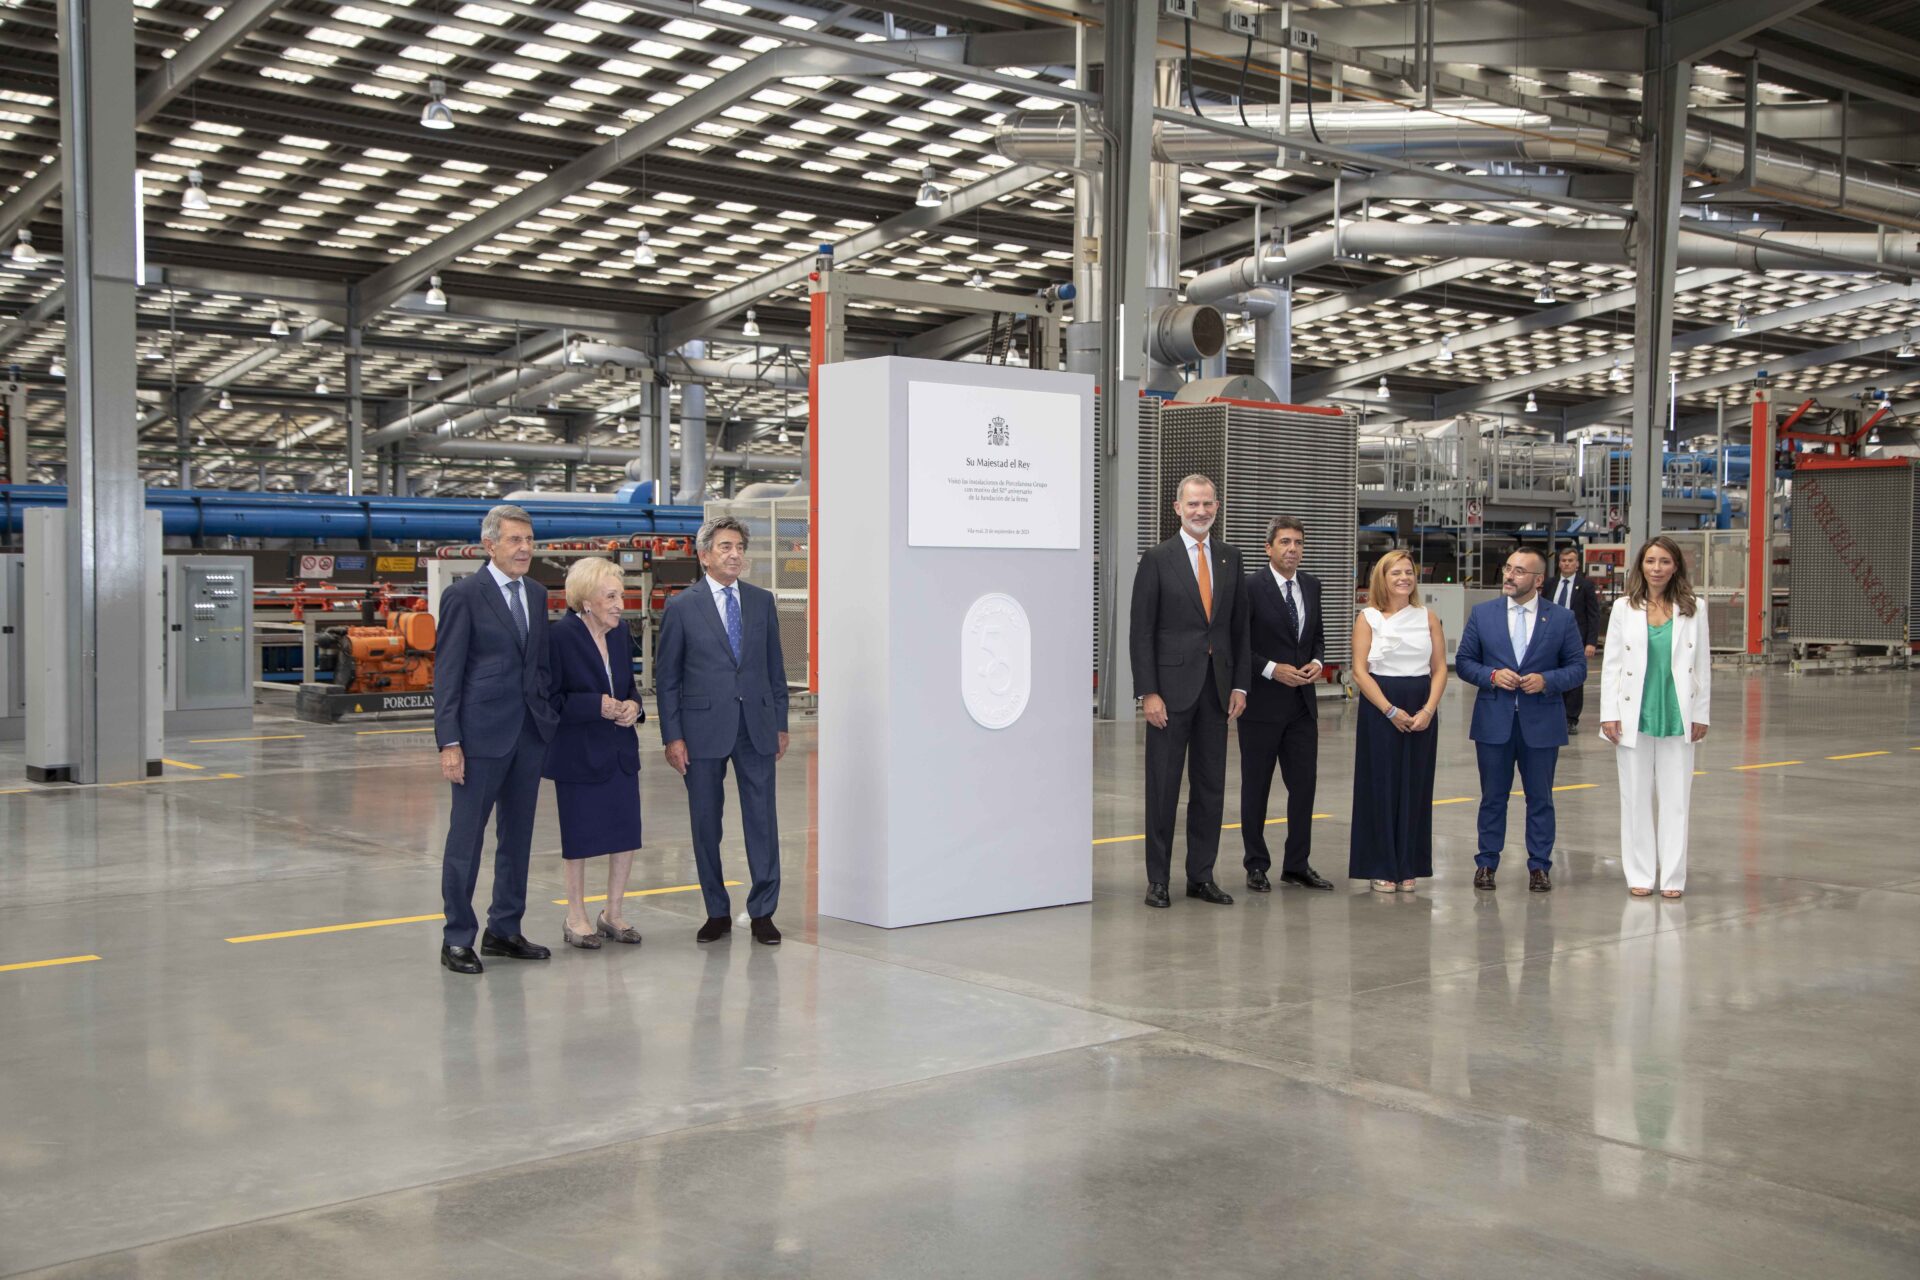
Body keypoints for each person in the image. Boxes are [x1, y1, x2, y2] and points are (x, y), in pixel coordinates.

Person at [433, 504, 559, 974]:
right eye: (515, 540)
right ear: (490, 545)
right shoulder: (465, 596)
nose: (525, 548)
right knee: (466, 839)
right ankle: (457, 937)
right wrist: (450, 742)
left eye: (529, 539)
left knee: (517, 838)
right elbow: (447, 674)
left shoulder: (538, 594)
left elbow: (540, 665)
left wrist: (546, 715)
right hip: (479, 738)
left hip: (528, 735)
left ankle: (504, 928)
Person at [657, 516, 790, 945]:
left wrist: (781, 723)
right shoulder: (681, 607)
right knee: (704, 823)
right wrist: (672, 736)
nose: (734, 554)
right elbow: (668, 678)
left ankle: (763, 911)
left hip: (756, 726)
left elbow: (775, 667)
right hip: (701, 730)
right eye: (725, 547)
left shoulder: (761, 601)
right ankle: (716, 910)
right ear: (704, 556)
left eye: (738, 547)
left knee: (762, 820)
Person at [1129, 474, 1250, 910]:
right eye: (1193, 504)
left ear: (1217, 507)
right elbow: (1141, 632)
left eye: (1208, 504)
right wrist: (1148, 693)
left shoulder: (1230, 558)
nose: (1201, 511)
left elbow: (1238, 628)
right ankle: (1157, 880)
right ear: (1177, 508)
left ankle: (1201, 875)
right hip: (1170, 694)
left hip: (1216, 692)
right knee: (1162, 788)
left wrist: (1239, 683)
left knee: (1210, 789)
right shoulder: (1157, 559)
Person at [1455, 547, 1587, 893]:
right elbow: (1465, 661)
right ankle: (1486, 862)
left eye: (1519, 571)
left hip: (1541, 723)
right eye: (1508, 569)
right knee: (1492, 797)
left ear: (1538, 580)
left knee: (1540, 798)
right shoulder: (1483, 615)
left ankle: (1539, 866)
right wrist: (1492, 676)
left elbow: (1578, 668)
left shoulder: (1560, 619)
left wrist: (1547, 681)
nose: (1510, 576)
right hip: (1493, 721)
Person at [1600, 536, 1711, 899]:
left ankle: (1673, 877)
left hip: (1678, 713)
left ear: (1676, 565)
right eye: (1650, 561)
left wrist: (1701, 713)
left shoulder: (1695, 608)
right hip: (1634, 713)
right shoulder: (1623, 608)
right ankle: (1641, 873)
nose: (1657, 568)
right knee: (1634, 797)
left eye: (1664, 561)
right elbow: (1611, 665)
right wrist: (1609, 713)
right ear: (1640, 566)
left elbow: (1703, 666)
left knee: (1677, 799)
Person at [545, 556, 646, 949]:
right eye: (612, 595)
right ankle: (577, 916)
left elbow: (629, 686)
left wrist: (633, 708)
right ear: (586, 600)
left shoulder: (619, 634)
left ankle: (613, 914)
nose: (621, 603)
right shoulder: (560, 638)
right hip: (578, 755)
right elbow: (550, 700)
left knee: (625, 836)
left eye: (621, 594)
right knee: (581, 838)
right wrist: (596, 706)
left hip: (620, 750)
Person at [1239, 515, 1332, 893]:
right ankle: (1256, 865)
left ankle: (1297, 864)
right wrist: (1271, 669)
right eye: (1284, 542)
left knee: (1304, 787)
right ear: (1269, 548)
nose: (1292, 549)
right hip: (1261, 706)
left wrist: (1317, 663)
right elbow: (1238, 646)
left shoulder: (1312, 585)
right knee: (1256, 788)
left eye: (1298, 543)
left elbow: (1318, 638)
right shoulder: (1248, 588)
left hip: (1301, 707)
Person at [1348, 550, 1448, 892]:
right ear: (1382, 578)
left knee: (1416, 786)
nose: (1404, 578)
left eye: (1409, 572)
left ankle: (1409, 864)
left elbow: (1439, 668)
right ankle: (1381, 865)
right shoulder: (1368, 618)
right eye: (1396, 573)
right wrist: (1389, 710)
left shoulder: (1428, 617)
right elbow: (1360, 671)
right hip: (1381, 706)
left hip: (1421, 704)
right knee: (1382, 785)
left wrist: (1429, 710)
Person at [1547, 545, 1602, 730]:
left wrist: (1591, 642)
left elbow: (1593, 615)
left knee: (1574, 678)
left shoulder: (1585, 586)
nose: (1567, 564)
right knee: (1552, 675)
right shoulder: (1550, 584)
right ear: (1559, 563)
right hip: (1551, 638)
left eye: (1570, 560)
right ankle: (1553, 714)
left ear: (1577, 564)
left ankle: (1571, 719)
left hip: (1576, 638)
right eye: (1563, 560)